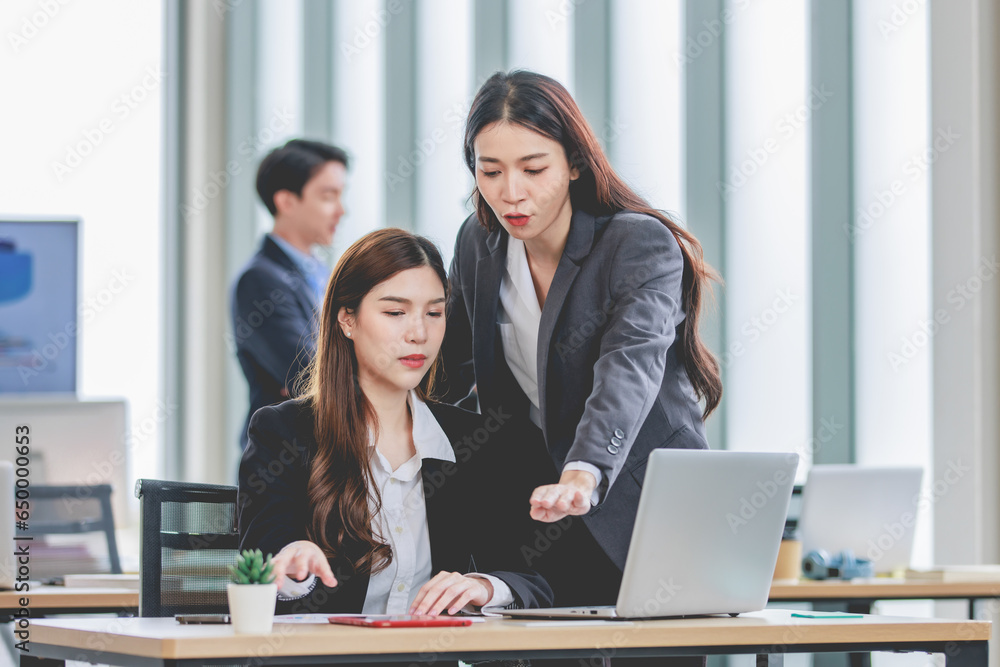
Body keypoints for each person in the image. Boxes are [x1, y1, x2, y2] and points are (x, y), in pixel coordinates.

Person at [442, 69, 723, 618]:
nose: (510, 192)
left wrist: (584, 470)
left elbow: (631, 364)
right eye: (490, 171)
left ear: (574, 163)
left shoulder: (636, 242)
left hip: (644, 509)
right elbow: (449, 369)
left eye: (533, 168)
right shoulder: (479, 243)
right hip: (539, 513)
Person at [237, 228, 551, 619]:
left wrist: (486, 586)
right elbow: (264, 564)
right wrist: (292, 562)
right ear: (347, 320)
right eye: (395, 313)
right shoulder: (284, 431)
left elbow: (535, 579)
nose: (419, 333)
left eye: (434, 313)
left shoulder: (474, 441)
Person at [231, 139, 349, 450]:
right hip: (283, 461)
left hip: (328, 452)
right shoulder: (259, 280)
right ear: (286, 201)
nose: (341, 210)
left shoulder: (325, 275)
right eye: (328, 196)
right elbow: (308, 373)